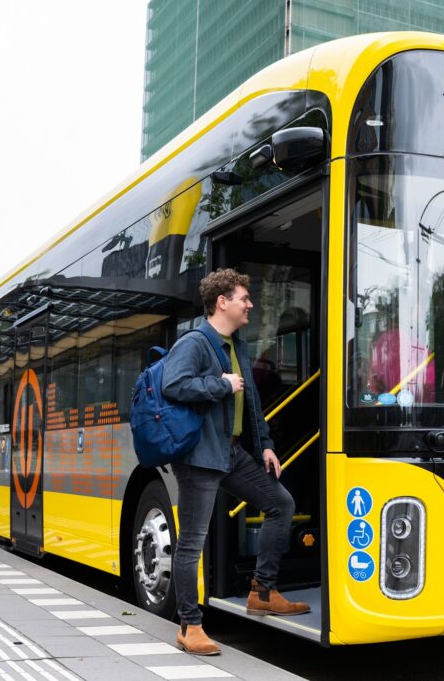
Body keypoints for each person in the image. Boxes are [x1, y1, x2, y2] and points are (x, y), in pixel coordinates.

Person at [162, 268, 309, 656]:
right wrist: (220, 385)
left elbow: (253, 403)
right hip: (199, 456)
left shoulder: (237, 346)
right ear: (222, 302)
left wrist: (265, 446)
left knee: (280, 504)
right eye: (244, 298)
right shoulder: (195, 342)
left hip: (231, 451)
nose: (250, 305)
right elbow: (172, 385)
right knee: (192, 542)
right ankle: (189, 626)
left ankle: (263, 591)